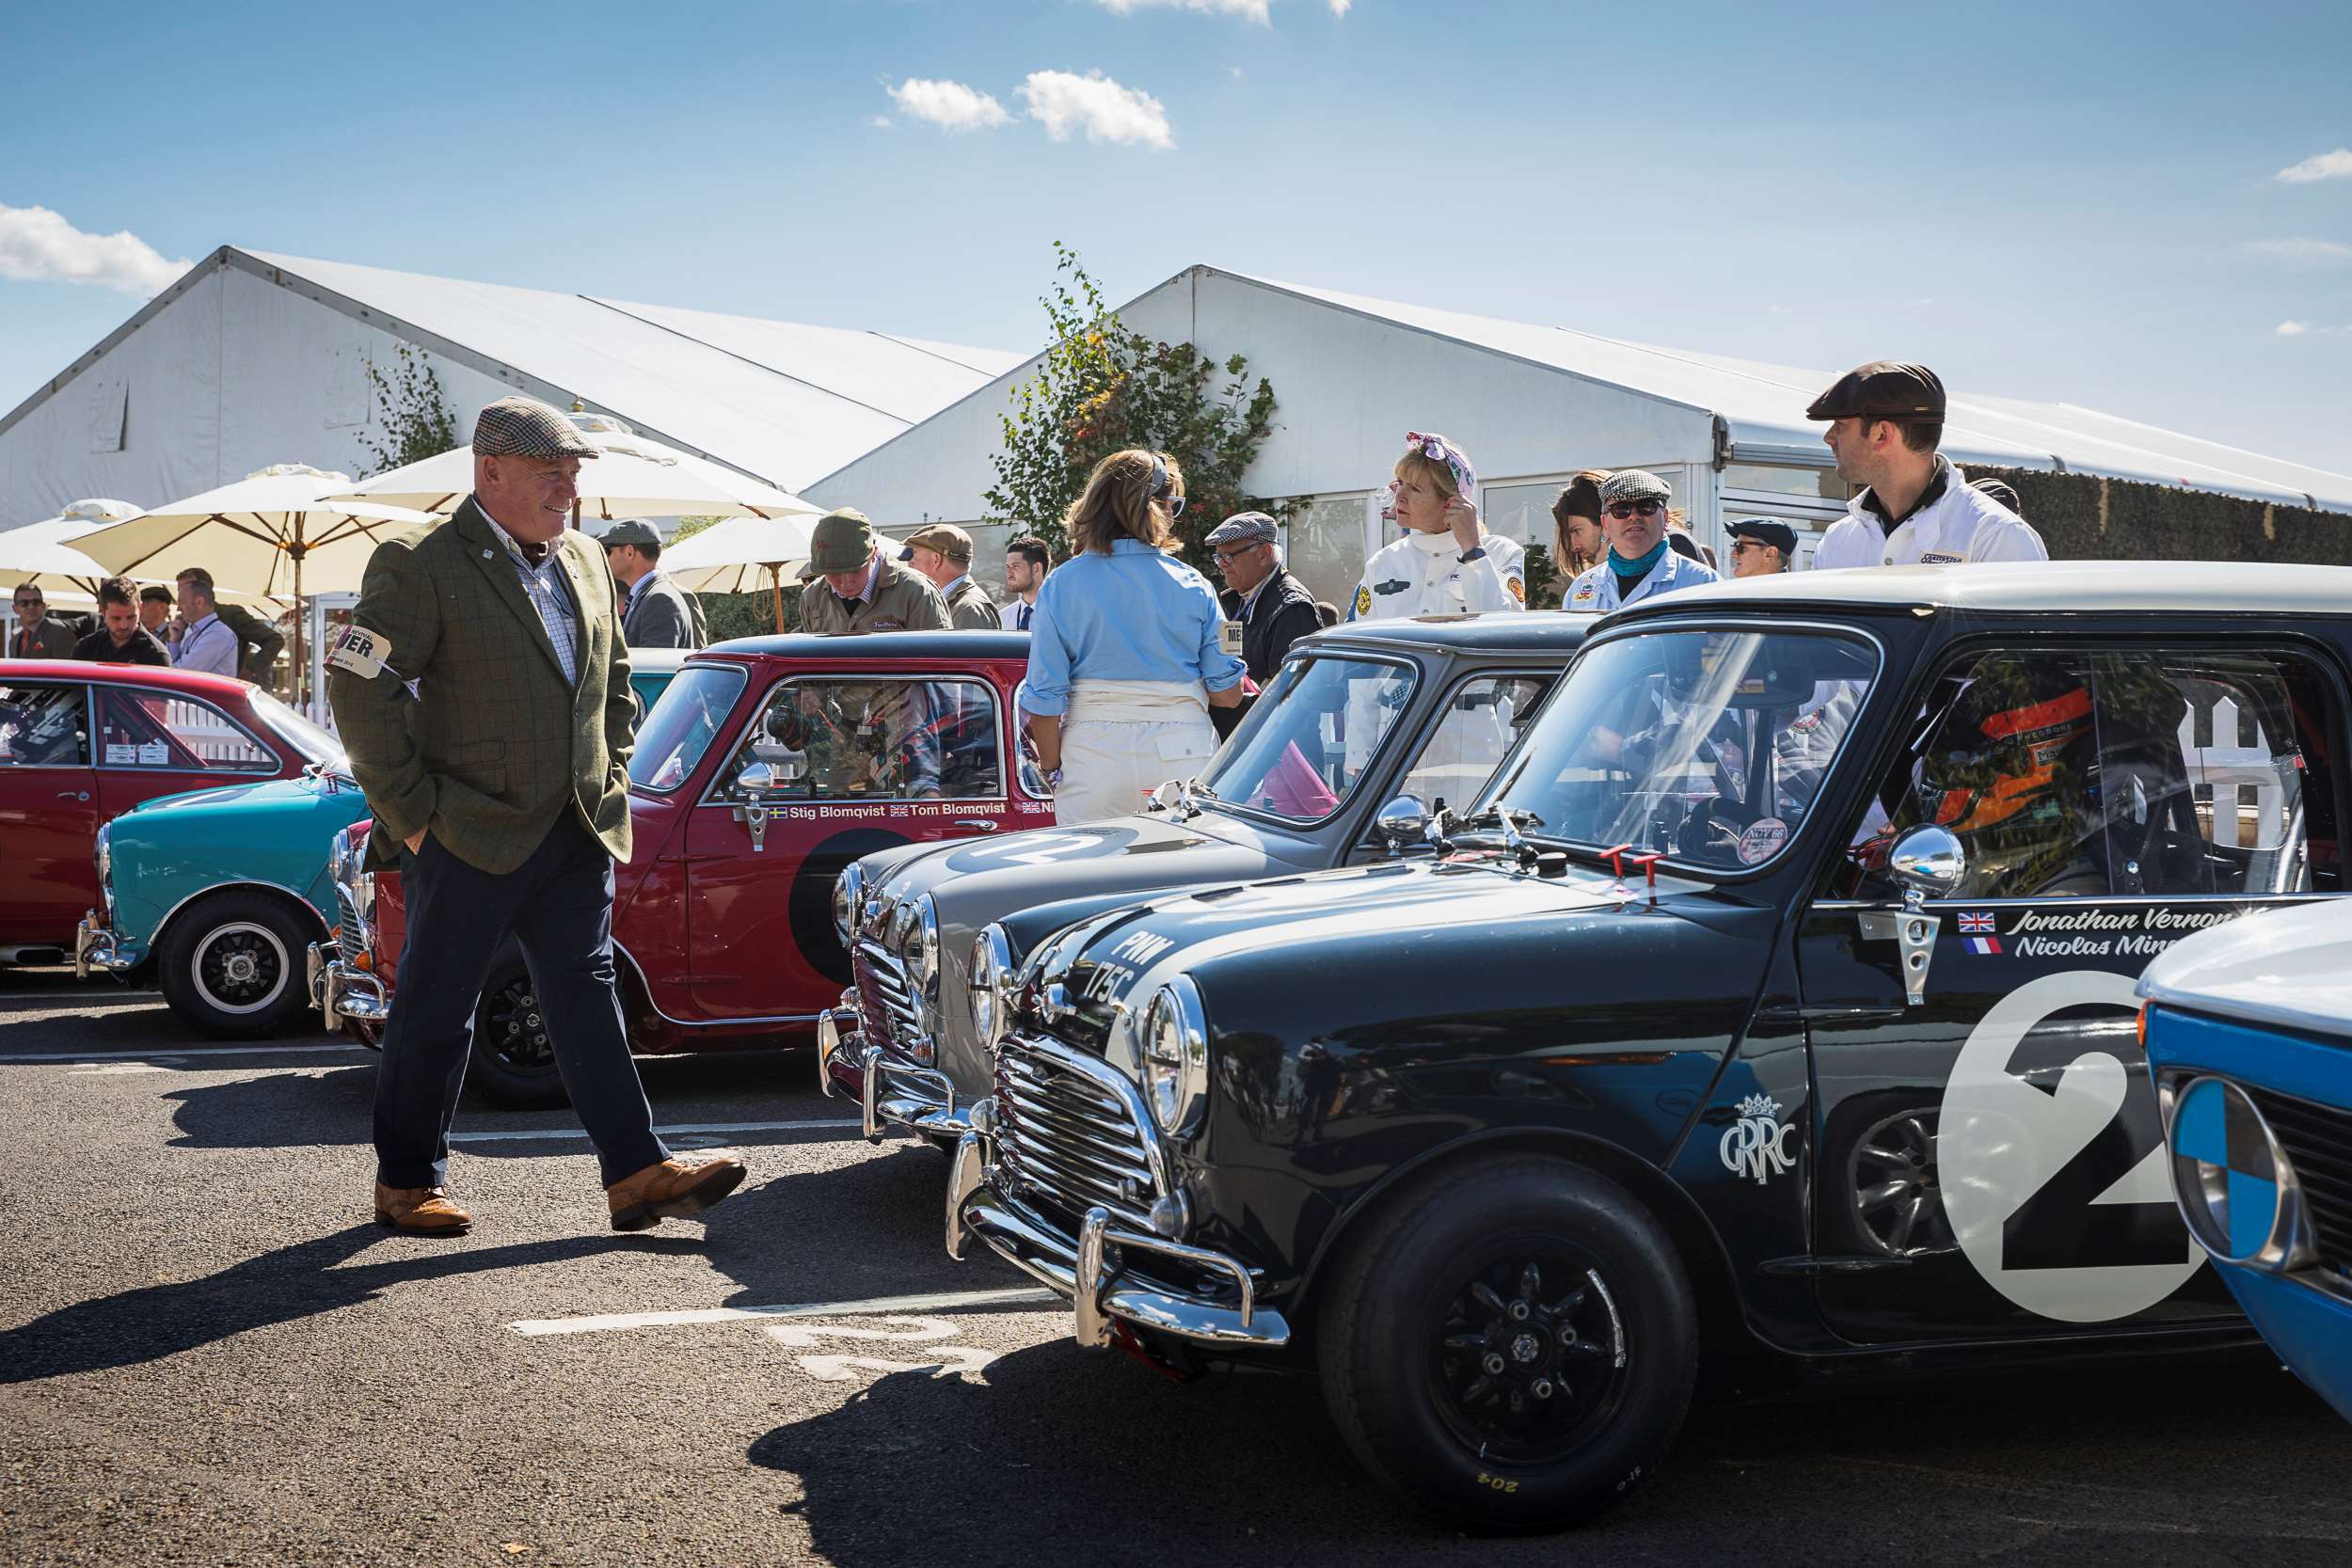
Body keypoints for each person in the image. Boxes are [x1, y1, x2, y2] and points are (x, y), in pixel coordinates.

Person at [327, 394, 744, 1238]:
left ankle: (635, 1172)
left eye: (574, 472)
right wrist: (411, 813)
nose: (569, 486)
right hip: (465, 829)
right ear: (490, 472)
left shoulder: (588, 557)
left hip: (577, 825)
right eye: (550, 472)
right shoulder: (419, 560)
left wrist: (613, 770)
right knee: (438, 1008)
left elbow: (615, 682)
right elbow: (354, 679)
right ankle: (406, 1181)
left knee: (587, 997)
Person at [1024, 449, 1246, 825]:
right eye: (1174, 505)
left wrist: (1053, 766)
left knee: (1088, 877)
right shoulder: (1196, 585)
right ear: (1160, 509)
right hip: (1185, 751)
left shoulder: (1061, 584)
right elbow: (1228, 694)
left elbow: (1043, 700)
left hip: (1094, 755)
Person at [1806, 362, 2049, 569]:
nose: (1829, 437)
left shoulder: (1997, 535)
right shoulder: (1837, 539)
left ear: (1881, 434)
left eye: (1840, 425)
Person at [1349, 432, 1526, 621]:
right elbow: (1363, 640)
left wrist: (1473, 552)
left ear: (1452, 502)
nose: (1399, 495)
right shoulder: (1382, 562)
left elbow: (1503, 629)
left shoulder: (1501, 552)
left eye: (1415, 488)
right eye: (1400, 483)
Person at [1564, 470, 1721, 610]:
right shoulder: (1580, 589)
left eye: (1646, 506)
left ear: (1665, 518)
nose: (1634, 516)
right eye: (1621, 509)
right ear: (1605, 524)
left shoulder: (1703, 583)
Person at [1205, 511, 1320, 682]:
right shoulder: (1235, 600)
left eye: (1228, 556)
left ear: (1264, 554)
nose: (1221, 564)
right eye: (1219, 557)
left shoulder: (1292, 609)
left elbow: (1290, 690)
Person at [799, 509, 951, 635]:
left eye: (855, 570)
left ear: (873, 553)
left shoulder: (917, 592)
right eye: (833, 573)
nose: (845, 582)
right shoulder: (812, 598)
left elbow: (943, 661)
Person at [598, 519, 703, 648]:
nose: (604, 558)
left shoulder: (660, 599)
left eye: (607, 551)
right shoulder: (649, 595)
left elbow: (655, 665)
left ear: (629, 552)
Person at [899, 523, 999, 630]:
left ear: (936, 559)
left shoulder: (969, 609)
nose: (909, 563)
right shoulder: (957, 605)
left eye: (914, 554)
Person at [73, 578, 169, 665]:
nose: (124, 625)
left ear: (140, 608)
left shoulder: (155, 654)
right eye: (116, 618)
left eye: (131, 617)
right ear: (102, 611)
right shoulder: (86, 648)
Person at [167, 568, 240, 677]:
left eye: (181, 603)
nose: (178, 608)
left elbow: (183, 673)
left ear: (199, 602)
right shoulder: (190, 629)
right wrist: (174, 641)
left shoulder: (218, 634)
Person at [209, 591, 287, 686]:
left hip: (229, 687)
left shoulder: (231, 615)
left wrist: (250, 669)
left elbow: (274, 640)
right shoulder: (189, 621)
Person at [1550, 470, 1610, 588]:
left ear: (1605, 523)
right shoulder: (1581, 588)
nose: (1574, 547)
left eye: (1577, 531)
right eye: (1568, 536)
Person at [8, 587, 76, 658]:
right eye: (24, 603)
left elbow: (67, 668)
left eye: (35, 602)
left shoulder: (60, 633)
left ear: (43, 606)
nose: (31, 606)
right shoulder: (14, 641)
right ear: (15, 608)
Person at [1000, 535, 1050, 630]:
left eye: (1015, 566)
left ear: (1036, 568)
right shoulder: (1003, 618)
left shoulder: (1060, 615)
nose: (1009, 573)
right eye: (1008, 567)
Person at [1728, 518, 1798, 578]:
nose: (1733, 554)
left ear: (1770, 553)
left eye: (1740, 546)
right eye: (1735, 545)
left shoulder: (1789, 592)